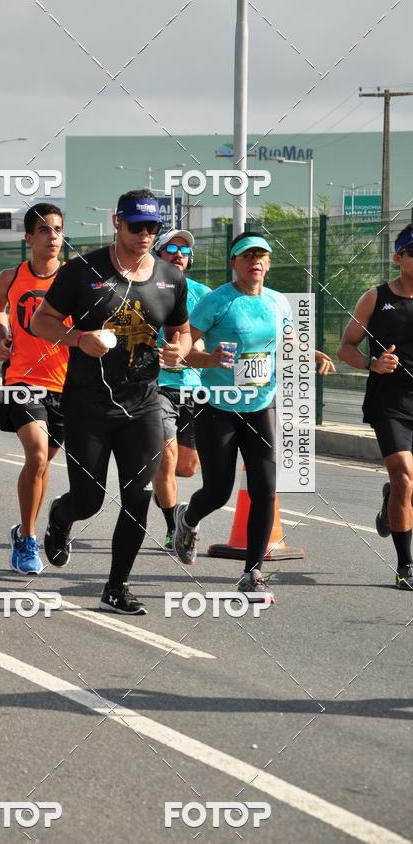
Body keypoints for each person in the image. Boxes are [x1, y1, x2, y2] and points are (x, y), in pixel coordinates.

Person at [31, 189, 191, 615]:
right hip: (88, 404)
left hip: (143, 405)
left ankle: (116, 586)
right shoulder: (82, 271)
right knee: (89, 500)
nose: (144, 234)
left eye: (152, 227)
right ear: (116, 222)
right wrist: (79, 338)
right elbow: (39, 321)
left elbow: (183, 331)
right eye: (136, 225)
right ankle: (62, 518)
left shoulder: (171, 279)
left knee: (139, 494)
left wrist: (180, 349)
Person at [173, 232, 335, 601]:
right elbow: (187, 347)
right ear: (234, 263)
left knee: (264, 489)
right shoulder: (217, 302)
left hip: (262, 405)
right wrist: (208, 358)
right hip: (218, 405)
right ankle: (189, 518)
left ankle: (252, 573)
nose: (255, 262)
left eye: (261, 256)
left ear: (268, 264)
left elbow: (288, 340)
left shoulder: (279, 303)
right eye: (247, 256)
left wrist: (314, 354)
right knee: (217, 491)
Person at [0, 203, 69, 575]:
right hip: (22, 378)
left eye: (57, 230)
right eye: (44, 231)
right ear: (28, 239)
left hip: (66, 385)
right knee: (36, 456)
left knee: (43, 464)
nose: (52, 237)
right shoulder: (10, 276)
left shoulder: (75, 279)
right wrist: (3, 335)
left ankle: (25, 528)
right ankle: (27, 539)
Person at [338, 224, 413, 590]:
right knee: (403, 474)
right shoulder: (375, 297)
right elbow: (346, 347)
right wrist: (373, 363)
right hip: (389, 402)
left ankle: (390, 506)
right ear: (398, 258)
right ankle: (406, 565)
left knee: (406, 487)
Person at [151, 229, 211, 549]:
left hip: (193, 387)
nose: (178, 254)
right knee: (166, 460)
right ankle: (174, 527)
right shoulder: (146, 288)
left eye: (185, 250)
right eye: (171, 248)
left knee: (186, 467)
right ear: (158, 254)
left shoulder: (203, 293)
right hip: (156, 385)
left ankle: (163, 493)